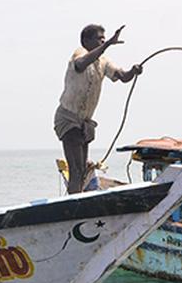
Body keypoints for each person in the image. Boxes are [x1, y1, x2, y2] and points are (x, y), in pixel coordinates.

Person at [54, 24, 142, 194]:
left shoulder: (103, 61)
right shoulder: (80, 54)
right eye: (99, 38)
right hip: (68, 118)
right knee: (76, 169)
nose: (102, 40)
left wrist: (133, 71)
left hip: (84, 122)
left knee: (82, 170)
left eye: (104, 38)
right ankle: (74, 205)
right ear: (86, 41)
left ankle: (77, 199)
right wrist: (107, 44)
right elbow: (80, 65)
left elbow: (122, 77)